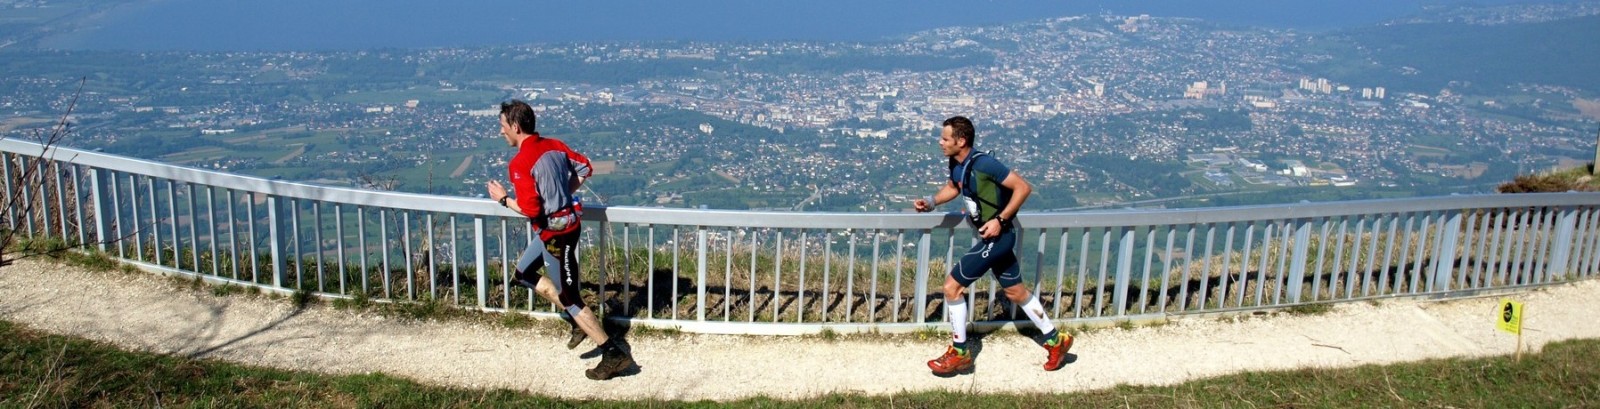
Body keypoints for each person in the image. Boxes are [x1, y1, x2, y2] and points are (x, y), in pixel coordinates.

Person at [912, 115, 1073, 376]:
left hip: (998, 236)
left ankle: (960, 352)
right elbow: (954, 186)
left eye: (945, 138)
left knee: (952, 287)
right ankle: (1057, 340)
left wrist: (1000, 220)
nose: (939, 142)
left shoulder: (985, 164)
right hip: (993, 237)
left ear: (961, 140)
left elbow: (1023, 187)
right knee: (1016, 293)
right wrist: (930, 202)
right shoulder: (956, 163)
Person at [485, 99, 634, 381]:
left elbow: (530, 209)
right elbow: (585, 168)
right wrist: (563, 194)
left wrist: (504, 199)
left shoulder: (520, 162)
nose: (501, 131)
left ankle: (612, 352)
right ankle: (574, 319)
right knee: (524, 273)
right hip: (559, 229)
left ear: (515, 126)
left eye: (503, 126)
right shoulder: (554, 145)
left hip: (557, 237)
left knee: (570, 296)